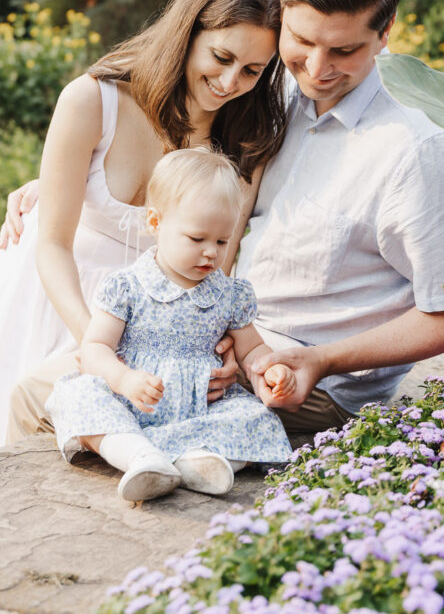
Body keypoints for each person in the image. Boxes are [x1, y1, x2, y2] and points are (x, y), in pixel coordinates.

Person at [3, 0, 444, 442]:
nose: (317, 69)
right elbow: (183, 151)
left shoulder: (421, 149)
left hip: (304, 382)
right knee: (49, 390)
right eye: (302, 40)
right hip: (216, 339)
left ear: (386, 29)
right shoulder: (272, 85)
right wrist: (60, 179)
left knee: (42, 396)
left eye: (345, 51)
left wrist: (320, 360)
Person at [0, 0, 286, 465]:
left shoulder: (244, 146)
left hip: (155, 323)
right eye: (221, 57)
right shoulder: (93, 100)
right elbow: (52, 245)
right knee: (14, 445)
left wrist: (220, 352)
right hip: (58, 296)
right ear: (187, 32)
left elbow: (216, 268)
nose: (228, 81)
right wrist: (98, 350)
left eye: (252, 71)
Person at [46, 148, 293, 503]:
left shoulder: (228, 294)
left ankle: (200, 461)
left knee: (253, 415)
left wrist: (270, 368)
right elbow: (95, 347)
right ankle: (140, 459)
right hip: (132, 401)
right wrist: (124, 379)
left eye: (222, 241)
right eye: (197, 239)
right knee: (79, 396)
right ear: (156, 223)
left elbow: (252, 348)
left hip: (201, 407)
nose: (211, 252)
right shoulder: (128, 286)